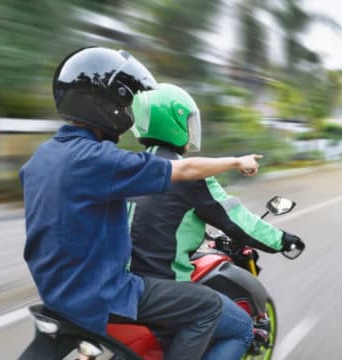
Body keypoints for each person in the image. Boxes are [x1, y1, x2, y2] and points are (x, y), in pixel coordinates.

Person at [19, 47, 264, 360]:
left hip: (55, 290)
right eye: (123, 101)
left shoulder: (42, 158)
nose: (128, 110)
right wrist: (236, 161)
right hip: (106, 293)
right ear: (103, 104)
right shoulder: (100, 161)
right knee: (218, 313)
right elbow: (186, 170)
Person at [128, 83, 305, 359]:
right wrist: (282, 240)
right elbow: (237, 221)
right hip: (160, 287)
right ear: (175, 122)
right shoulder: (190, 175)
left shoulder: (125, 165)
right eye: (188, 121)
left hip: (117, 284)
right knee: (241, 329)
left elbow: (152, 219)